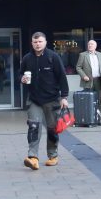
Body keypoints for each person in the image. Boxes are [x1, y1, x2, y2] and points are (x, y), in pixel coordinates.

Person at [19, 32, 69, 170]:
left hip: (52, 100)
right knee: (33, 127)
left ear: (45, 42)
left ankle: (53, 156)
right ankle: (33, 157)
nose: (37, 44)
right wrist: (22, 78)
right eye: (35, 42)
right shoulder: (27, 58)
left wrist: (64, 97)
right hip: (34, 100)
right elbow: (20, 73)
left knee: (52, 129)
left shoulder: (53, 57)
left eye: (40, 41)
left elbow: (62, 78)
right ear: (32, 43)